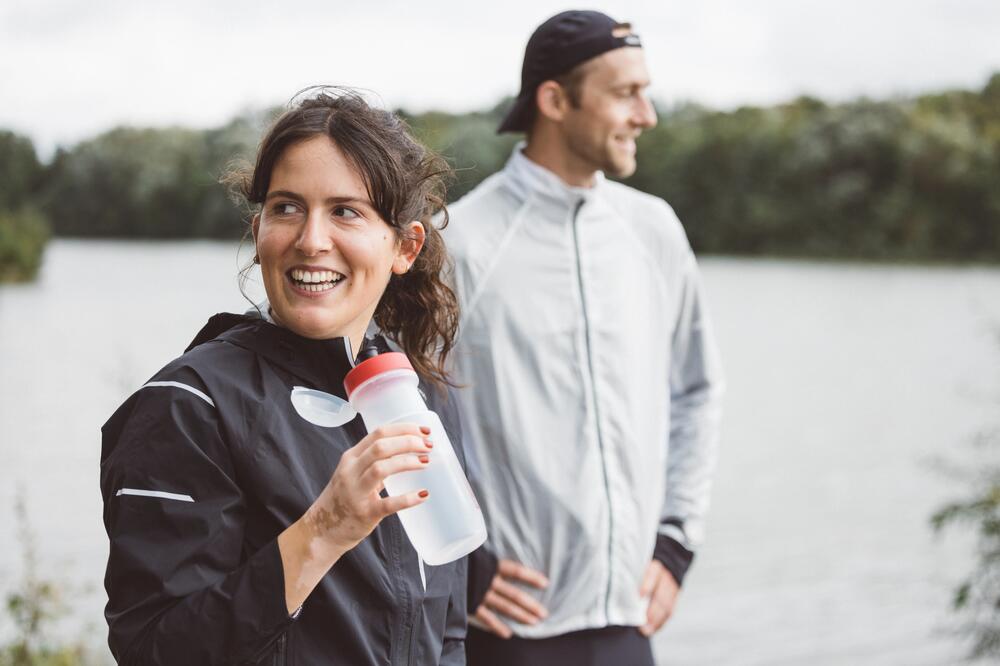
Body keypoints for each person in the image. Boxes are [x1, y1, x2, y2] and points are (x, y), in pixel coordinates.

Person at [100, 89, 468, 665]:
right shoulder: (189, 405)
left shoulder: (422, 397)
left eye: (345, 211)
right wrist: (323, 530)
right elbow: (152, 650)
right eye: (287, 207)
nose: (311, 239)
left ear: (405, 246)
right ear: (259, 230)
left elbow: (447, 630)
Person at [442, 10, 725, 665]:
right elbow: (393, 414)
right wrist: (460, 559)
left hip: (629, 627)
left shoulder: (654, 231)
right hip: (508, 633)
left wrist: (676, 542)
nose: (647, 114)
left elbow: (698, 391)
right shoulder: (461, 243)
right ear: (554, 101)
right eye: (626, 93)